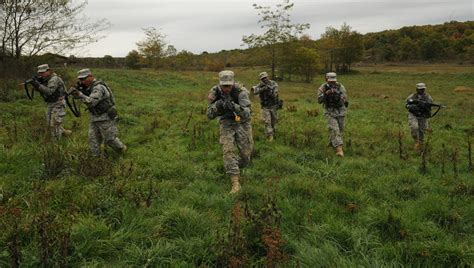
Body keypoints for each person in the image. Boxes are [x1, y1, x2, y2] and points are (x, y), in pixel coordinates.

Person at [207, 70, 252, 193]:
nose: (226, 88)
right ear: (220, 84)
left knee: (246, 154)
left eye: (228, 85)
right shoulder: (215, 92)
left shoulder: (241, 92)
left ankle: (236, 165)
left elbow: (247, 114)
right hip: (226, 122)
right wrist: (219, 105)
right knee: (228, 151)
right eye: (224, 86)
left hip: (242, 122)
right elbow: (209, 115)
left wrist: (234, 106)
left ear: (232, 83)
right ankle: (235, 182)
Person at [71, 68, 126, 156]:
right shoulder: (88, 87)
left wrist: (80, 95)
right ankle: (96, 159)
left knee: (110, 140)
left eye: (84, 79)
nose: (82, 81)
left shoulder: (98, 87)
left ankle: (122, 150)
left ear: (91, 76)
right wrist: (75, 94)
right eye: (80, 79)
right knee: (93, 140)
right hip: (94, 118)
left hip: (105, 117)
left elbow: (91, 102)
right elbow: (84, 97)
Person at [30, 64, 72, 139]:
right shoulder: (45, 79)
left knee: (54, 123)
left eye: (43, 72)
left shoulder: (54, 79)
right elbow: (42, 90)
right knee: (50, 123)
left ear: (48, 71)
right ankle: (64, 132)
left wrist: (37, 85)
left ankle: (56, 144)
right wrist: (36, 84)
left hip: (58, 102)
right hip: (51, 103)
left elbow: (49, 91)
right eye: (40, 73)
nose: (41, 74)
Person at [317, 72, 348, 157]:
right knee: (335, 129)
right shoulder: (323, 87)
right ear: (326, 79)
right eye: (330, 81)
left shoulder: (341, 87)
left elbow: (344, 99)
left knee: (340, 130)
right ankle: (339, 150)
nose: (332, 83)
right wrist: (326, 94)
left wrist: (337, 95)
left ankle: (331, 145)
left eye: (333, 81)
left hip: (341, 111)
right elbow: (319, 100)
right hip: (330, 112)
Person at [252, 71, 282, 141]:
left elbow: (275, 93)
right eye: (263, 79)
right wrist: (262, 89)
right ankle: (270, 135)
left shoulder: (273, 83)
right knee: (267, 121)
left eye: (265, 78)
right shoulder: (260, 85)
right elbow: (254, 91)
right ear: (261, 80)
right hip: (265, 107)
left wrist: (268, 90)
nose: (264, 79)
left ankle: (273, 132)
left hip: (273, 105)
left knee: (274, 121)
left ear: (268, 77)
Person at [405, 83, 433, 151]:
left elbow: (430, 106)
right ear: (417, 89)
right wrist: (413, 107)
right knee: (414, 127)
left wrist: (426, 108)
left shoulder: (428, 97)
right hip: (413, 115)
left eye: (423, 89)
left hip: (422, 115)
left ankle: (420, 145)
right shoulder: (412, 96)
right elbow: (406, 104)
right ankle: (416, 141)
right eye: (420, 89)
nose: (422, 90)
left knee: (422, 130)